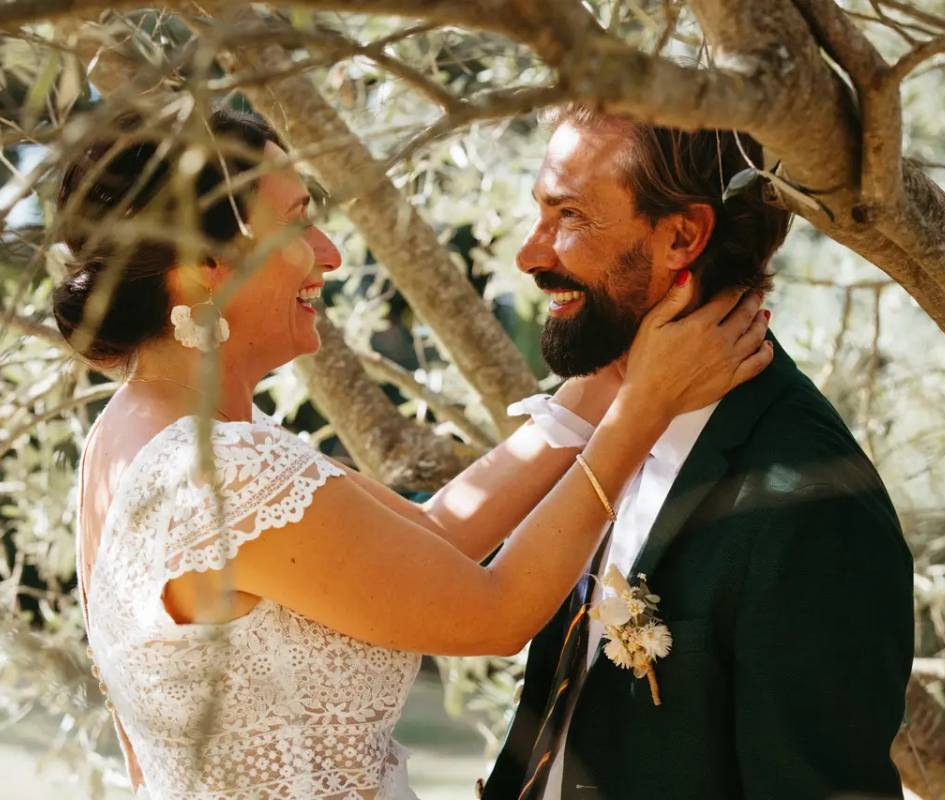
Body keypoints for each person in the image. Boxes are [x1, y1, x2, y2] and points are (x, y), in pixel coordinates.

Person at [57, 107, 772, 799]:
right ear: (200, 270)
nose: (331, 254)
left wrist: (603, 375)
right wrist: (642, 408)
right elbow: (494, 610)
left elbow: (434, 536)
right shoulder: (219, 473)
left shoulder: (130, 441)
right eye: (298, 223)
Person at [480, 107, 915, 800]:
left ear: (683, 236)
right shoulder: (603, 418)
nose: (530, 253)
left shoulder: (810, 505)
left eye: (568, 216)